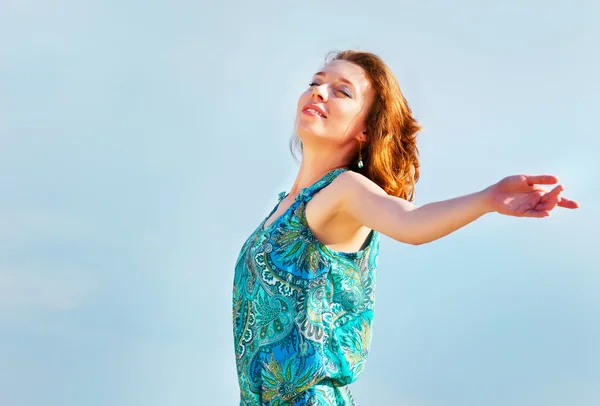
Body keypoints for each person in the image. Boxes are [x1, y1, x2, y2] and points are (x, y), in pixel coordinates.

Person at [231, 50, 579, 406]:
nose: (319, 92)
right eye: (316, 83)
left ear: (366, 129)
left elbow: (409, 221)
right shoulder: (283, 208)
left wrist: (487, 198)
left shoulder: (346, 189)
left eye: (342, 91)